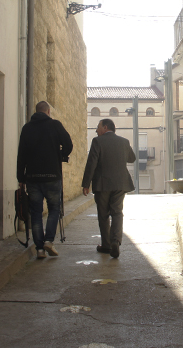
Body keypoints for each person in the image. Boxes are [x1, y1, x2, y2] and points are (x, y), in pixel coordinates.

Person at [17, 101, 73, 259]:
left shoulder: (27, 128)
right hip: (52, 176)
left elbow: (21, 155)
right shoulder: (55, 125)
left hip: (33, 178)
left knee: (35, 212)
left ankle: (39, 249)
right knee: (54, 208)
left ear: (36, 112)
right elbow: (68, 144)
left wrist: (21, 177)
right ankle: (49, 240)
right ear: (48, 111)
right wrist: (60, 156)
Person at [81, 118, 136, 258]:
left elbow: (91, 163)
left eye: (98, 127)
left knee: (103, 215)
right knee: (117, 212)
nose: (96, 130)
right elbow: (132, 158)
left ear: (105, 127)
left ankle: (106, 245)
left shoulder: (97, 141)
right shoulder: (124, 142)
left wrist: (86, 184)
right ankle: (116, 241)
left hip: (102, 184)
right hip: (120, 183)